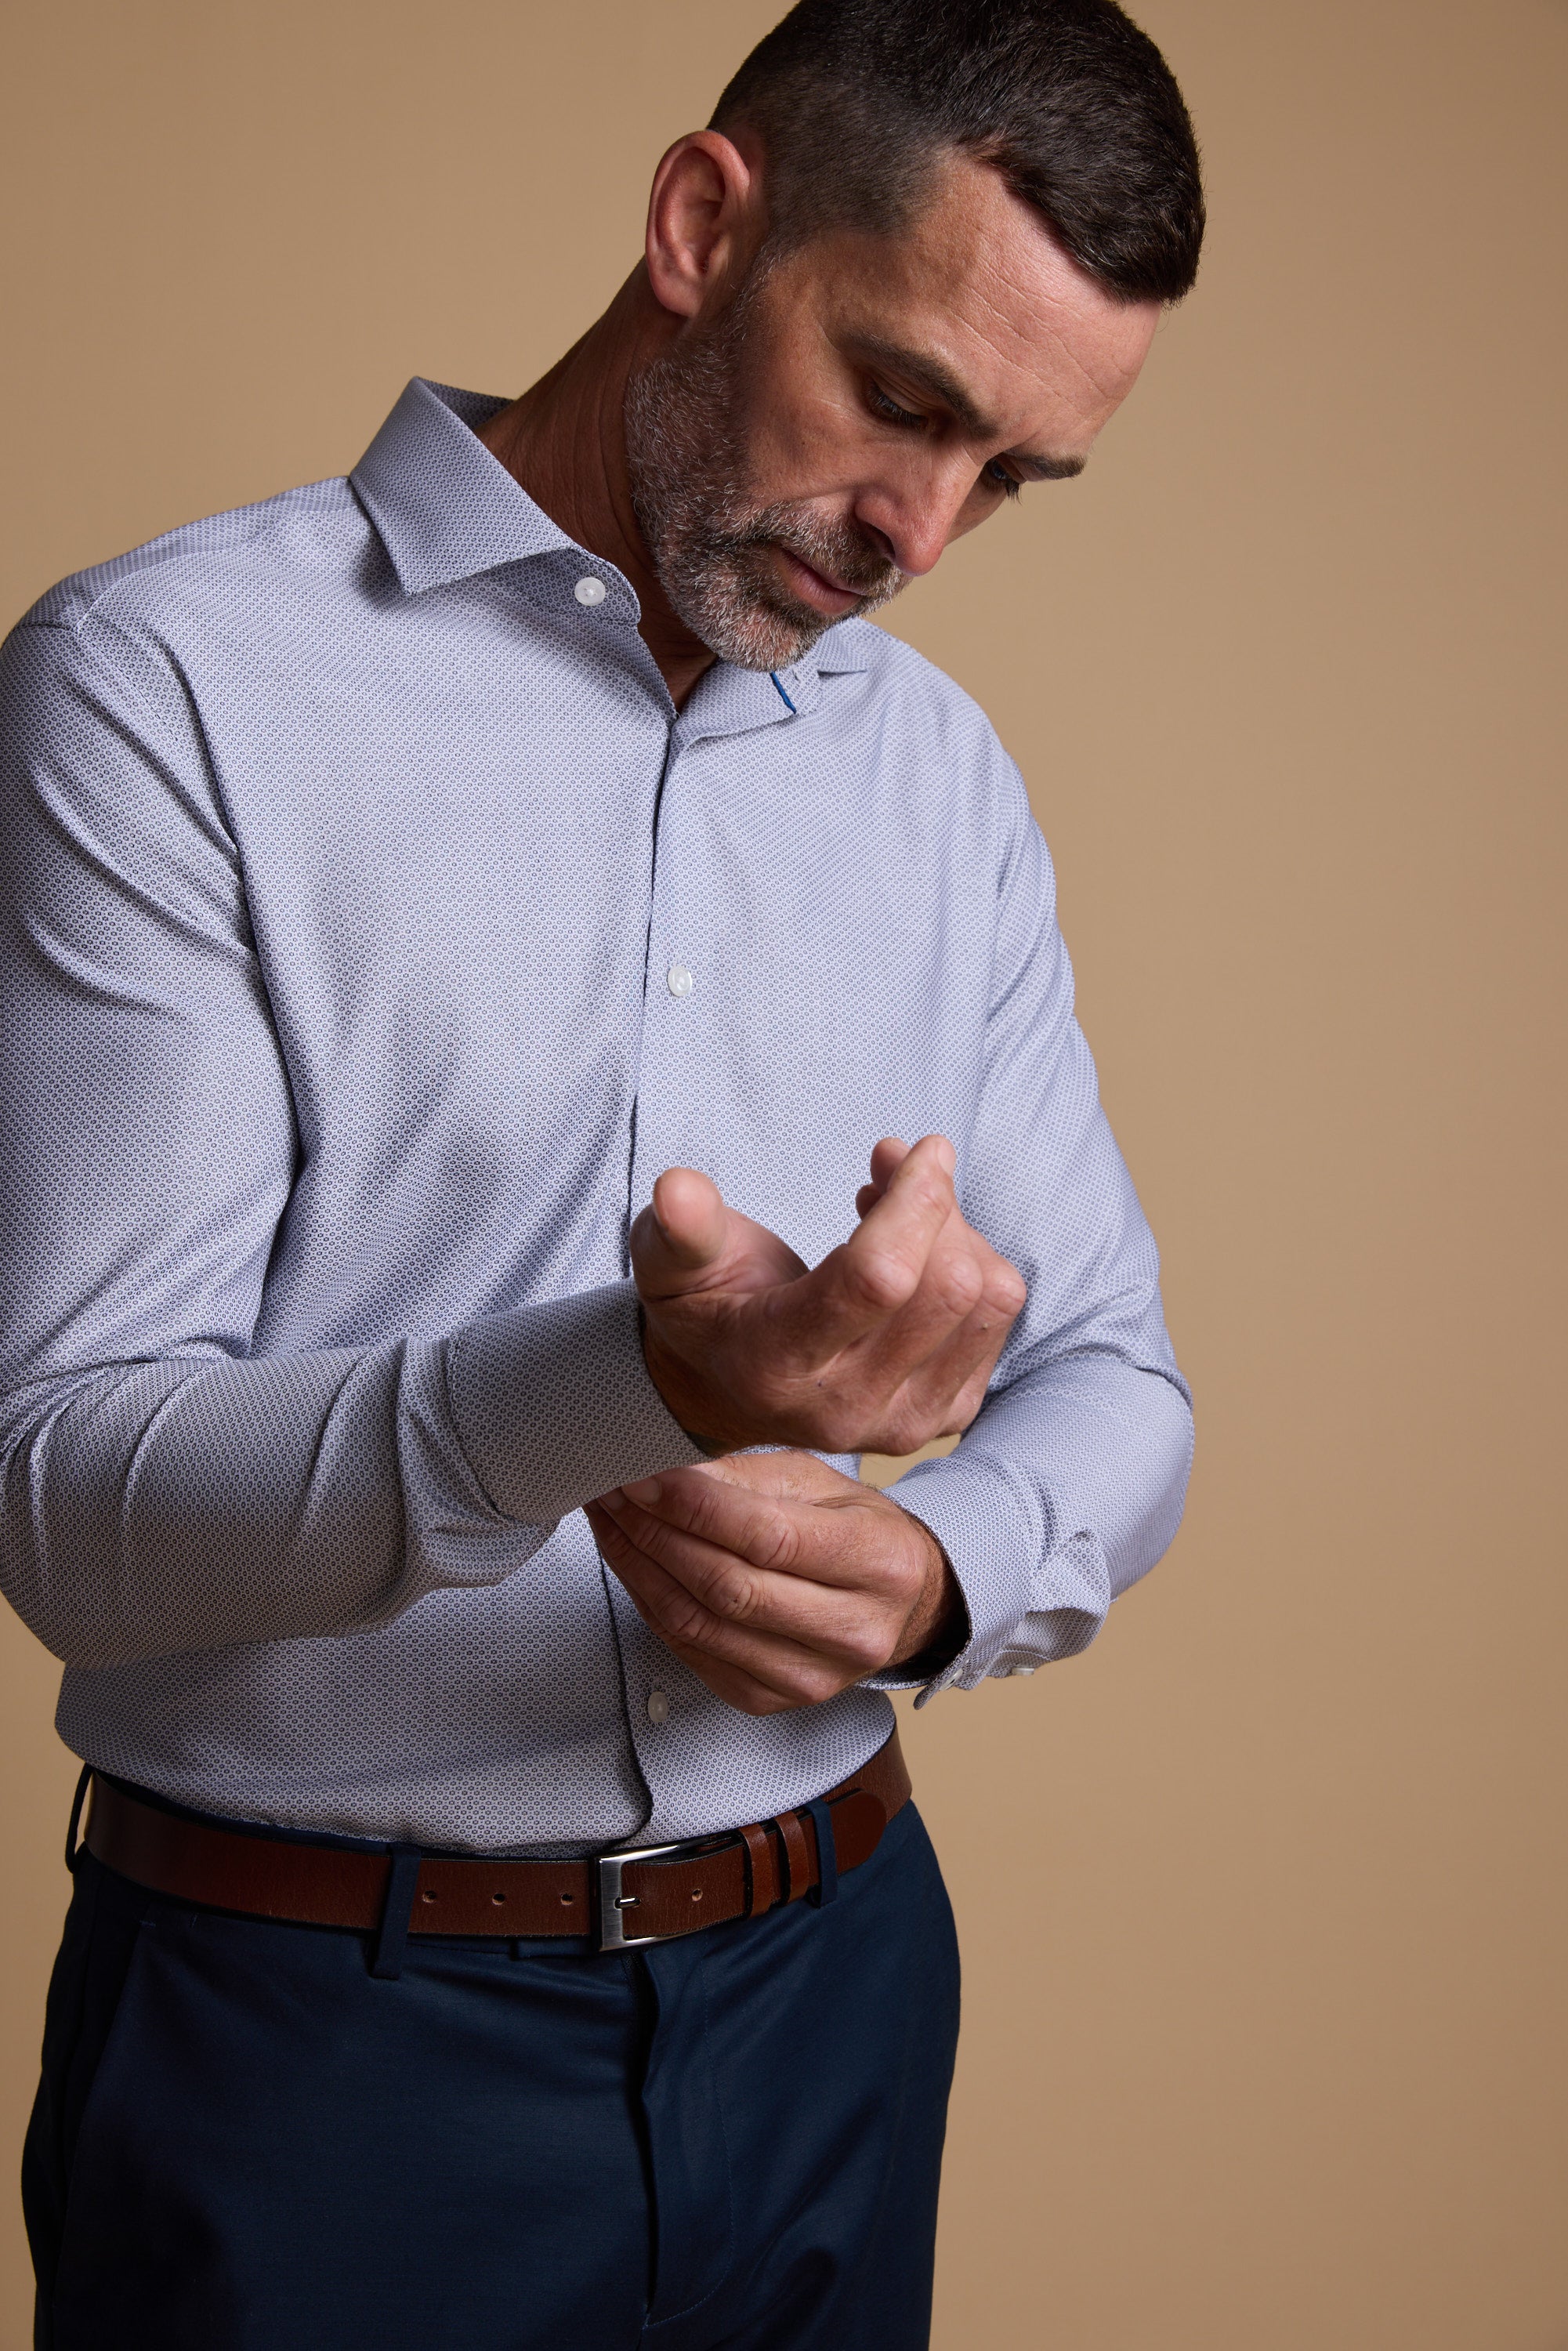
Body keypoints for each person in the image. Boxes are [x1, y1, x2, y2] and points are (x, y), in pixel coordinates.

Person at [0, 2, 1203, 2343]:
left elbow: (1119, 1388)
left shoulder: (933, 784)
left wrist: (934, 1575)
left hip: (835, 1993)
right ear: (699, 225)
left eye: (1011, 479)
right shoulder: (165, 689)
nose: (921, 536)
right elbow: (63, 1499)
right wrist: (640, 1379)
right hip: (316, 2059)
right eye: (904, 400)